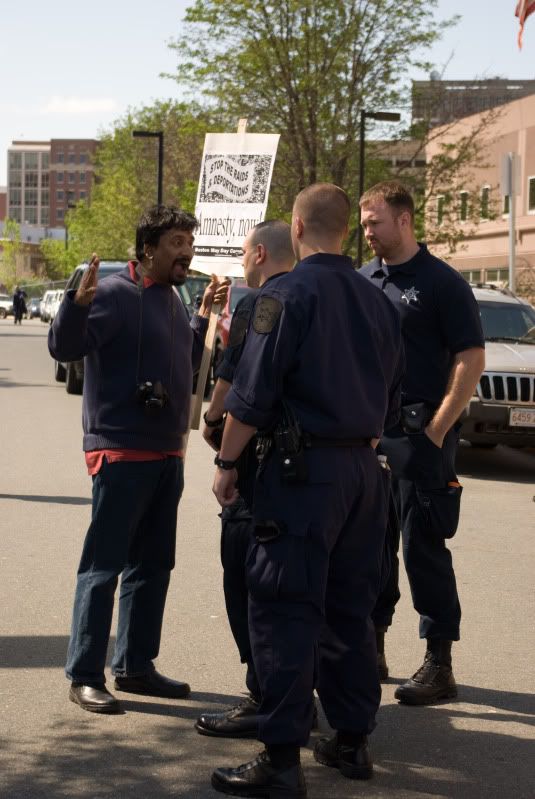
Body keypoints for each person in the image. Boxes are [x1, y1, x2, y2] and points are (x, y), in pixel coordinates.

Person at [210, 184, 404, 798]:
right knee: (349, 609)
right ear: (345, 231)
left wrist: (226, 460)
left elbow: (253, 390)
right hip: (363, 475)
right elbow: (393, 391)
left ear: (295, 227)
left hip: (303, 477)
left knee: (285, 610)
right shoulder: (379, 302)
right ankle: (351, 742)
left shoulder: (283, 296)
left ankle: (280, 758)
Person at [48, 205, 229, 714]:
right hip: (121, 452)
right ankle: (85, 674)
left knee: (153, 566)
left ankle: (134, 666)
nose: (186, 252)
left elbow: (187, 362)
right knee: (104, 568)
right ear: (148, 248)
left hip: (167, 453)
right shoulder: (109, 294)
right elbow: (62, 348)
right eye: (176, 242)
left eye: (188, 242)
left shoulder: (173, 300)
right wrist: (75, 306)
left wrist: (202, 317)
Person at [359, 181, 485, 705]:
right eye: (363, 224)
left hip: (422, 438)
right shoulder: (364, 279)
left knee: (423, 547)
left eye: (375, 222)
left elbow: (470, 359)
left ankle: (439, 663)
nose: (367, 232)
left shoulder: (441, 283)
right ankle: (372, 646)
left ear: (405, 220)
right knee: (370, 547)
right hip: (370, 439)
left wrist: (435, 432)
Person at [195, 220, 294, 740]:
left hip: (265, 462)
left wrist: (221, 445)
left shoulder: (262, 305)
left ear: (258, 253)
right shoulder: (355, 297)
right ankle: (317, 709)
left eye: (242, 253)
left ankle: (264, 695)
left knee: (248, 577)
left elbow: (239, 387)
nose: (241, 262)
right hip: (334, 469)